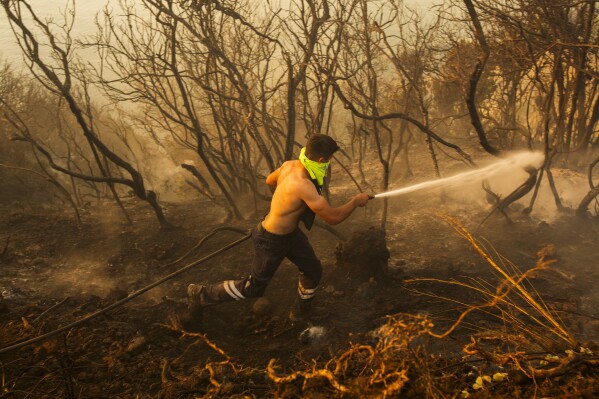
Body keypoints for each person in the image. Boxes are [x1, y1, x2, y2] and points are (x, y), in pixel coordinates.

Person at [186, 134, 370, 326]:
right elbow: (333, 218)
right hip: (271, 239)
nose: (329, 163)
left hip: (290, 235)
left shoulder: (289, 165)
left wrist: (284, 204)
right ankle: (201, 294)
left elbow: (269, 180)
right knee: (253, 288)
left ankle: (300, 313)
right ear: (322, 160)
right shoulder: (304, 185)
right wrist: (355, 201)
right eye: (329, 159)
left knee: (313, 270)